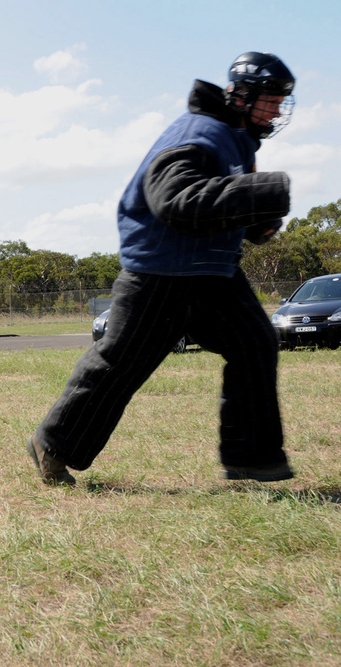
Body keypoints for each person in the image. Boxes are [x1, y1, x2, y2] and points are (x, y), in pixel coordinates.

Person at [28, 52, 297, 486]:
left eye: (281, 101)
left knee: (255, 343)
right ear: (242, 97)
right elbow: (175, 200)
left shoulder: (237, 142)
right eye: (270, 99)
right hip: (161, 270)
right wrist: (264, 191)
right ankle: (53, 445)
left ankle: (253, 459)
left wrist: (257, 219)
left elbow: (221, 205)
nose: (277, 110)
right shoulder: (198, 133)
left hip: (213, 271)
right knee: (123, 363)